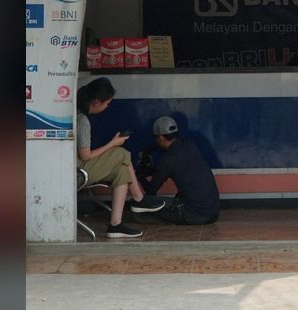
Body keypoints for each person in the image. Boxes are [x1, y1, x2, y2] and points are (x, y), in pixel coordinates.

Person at [76, 78, 165, 238]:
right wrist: (112, 143)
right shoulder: (82, 120)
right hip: (77, 172)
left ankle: (115, 225)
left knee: (121, 170)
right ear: (96, 102)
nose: (107, 106)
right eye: (107, 103)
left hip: (79, 166)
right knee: (121, 153)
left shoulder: (79, 115)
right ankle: (139, 199)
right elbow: (85, 155)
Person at [137, 116, 220, 225]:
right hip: (213, 213)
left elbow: (151, 193)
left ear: (161, 138)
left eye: (155, 138)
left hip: (194, 215)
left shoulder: (167, 161)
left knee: (142, 204)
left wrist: (140, 177)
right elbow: (179, 167)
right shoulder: (190, 146)